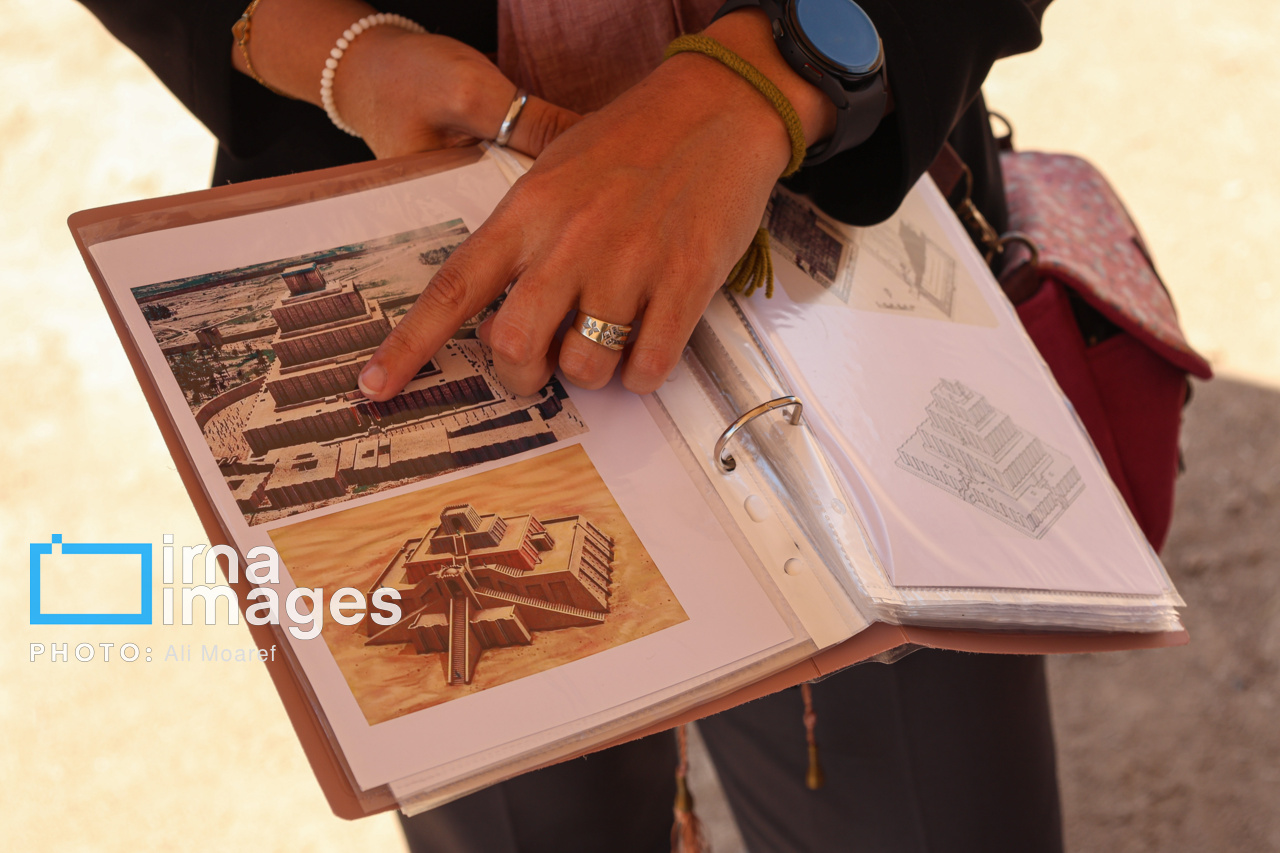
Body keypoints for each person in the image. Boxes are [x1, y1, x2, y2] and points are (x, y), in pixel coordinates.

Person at [79, 1, 1062, 849]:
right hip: (400, 228)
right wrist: (338, 49)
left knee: (910, 788)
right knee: (521, 809)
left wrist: (769, 78)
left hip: (836, 220)